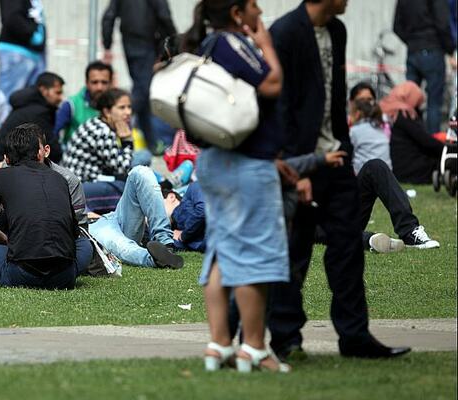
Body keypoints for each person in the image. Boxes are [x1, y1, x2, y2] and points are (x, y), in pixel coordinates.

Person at [268, 0, 410, 360]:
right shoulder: (285, 33)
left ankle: (355, 337)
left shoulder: (337, 30)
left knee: (347, 249)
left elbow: (333, 100)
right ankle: (285, 338)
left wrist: (343, 147)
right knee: (295, 252)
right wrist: (293, 169)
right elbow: (279, 107)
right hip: (301, 164)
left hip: (337, 160)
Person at [179, 0, 291, 373]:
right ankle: (255, 348)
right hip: (243, 164)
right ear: (237, 13)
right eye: (254, 6)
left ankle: (219, 344)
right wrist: (266, 44)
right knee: (253, 252)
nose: (260, 11)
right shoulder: (231, 43)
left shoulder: (206, 46)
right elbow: (272, 82)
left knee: (222, 251)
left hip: (216, 161)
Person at [0, 123, 93, 289]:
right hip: (64, 277)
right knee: (85, 244)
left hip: (19, 271)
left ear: (6, 159)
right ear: (41, 152)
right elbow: (75, 231)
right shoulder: (61, 179)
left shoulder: (0, 176)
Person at [102, 0, 176, 152]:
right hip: (148, 41)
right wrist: (174, 42)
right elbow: (164, 16)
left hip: (131, 41)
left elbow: (108, 16)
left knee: (143, 90)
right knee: (142, 92)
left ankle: (152, 143)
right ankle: (112, 127)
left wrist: (107, 43)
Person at [88, 166, 183, 269]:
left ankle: (167, 246)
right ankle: (155, 260)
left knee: (140, 171)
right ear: (171, 197)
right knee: (119, 243)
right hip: (92, 226)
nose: (176, 217)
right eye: (176, 211)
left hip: (118, 221)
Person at [394, 0, 456, 134]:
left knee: (410, 102)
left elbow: (397, 26)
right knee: (434, 103)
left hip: (412, 52)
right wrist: (450, 49)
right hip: (433, 50)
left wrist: (412, 41)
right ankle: (433, 144)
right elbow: (443, 23)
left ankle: (411, 140)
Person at [62, 88, 134, 183]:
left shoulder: (97, 122)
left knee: (142, 158)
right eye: (122, 108)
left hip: (82, 178)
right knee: (129, 184)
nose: (128, 112)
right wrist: (127, 140)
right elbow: (122, 169)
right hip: (80, 184)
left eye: (129, 107)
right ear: (107, 112)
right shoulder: (102, 131)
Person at [381, 81, 444, 184]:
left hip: (399, 167)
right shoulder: (404, 114)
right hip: (411, 170)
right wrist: (447, 150)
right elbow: (425, 141)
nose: (418, 106)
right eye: (417, 101)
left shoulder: (389, 110)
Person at [0, 72, 65, 163]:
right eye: (57, 93)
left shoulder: (29, 104)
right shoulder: (40, 112)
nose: (61, 98)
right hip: (12, 160)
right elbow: (53, 149)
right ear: (44, 90)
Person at [53, 61, 113, 145]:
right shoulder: (71, 105)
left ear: (110, 83)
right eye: (94, 82)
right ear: (87, 83)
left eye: (104, 82)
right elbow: (53, 134)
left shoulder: (118, 106)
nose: (99, 87)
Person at [0, 0, 47, 98]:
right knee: (9, 101)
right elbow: (12, 17)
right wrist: (32, 35)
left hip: (32, 53)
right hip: (17, 51)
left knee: (31, 103)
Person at [164, 184, 206, 253]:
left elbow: (203, 209)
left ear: (171, 197)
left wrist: (183, 236)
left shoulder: (193, 188)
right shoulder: (175, 231)